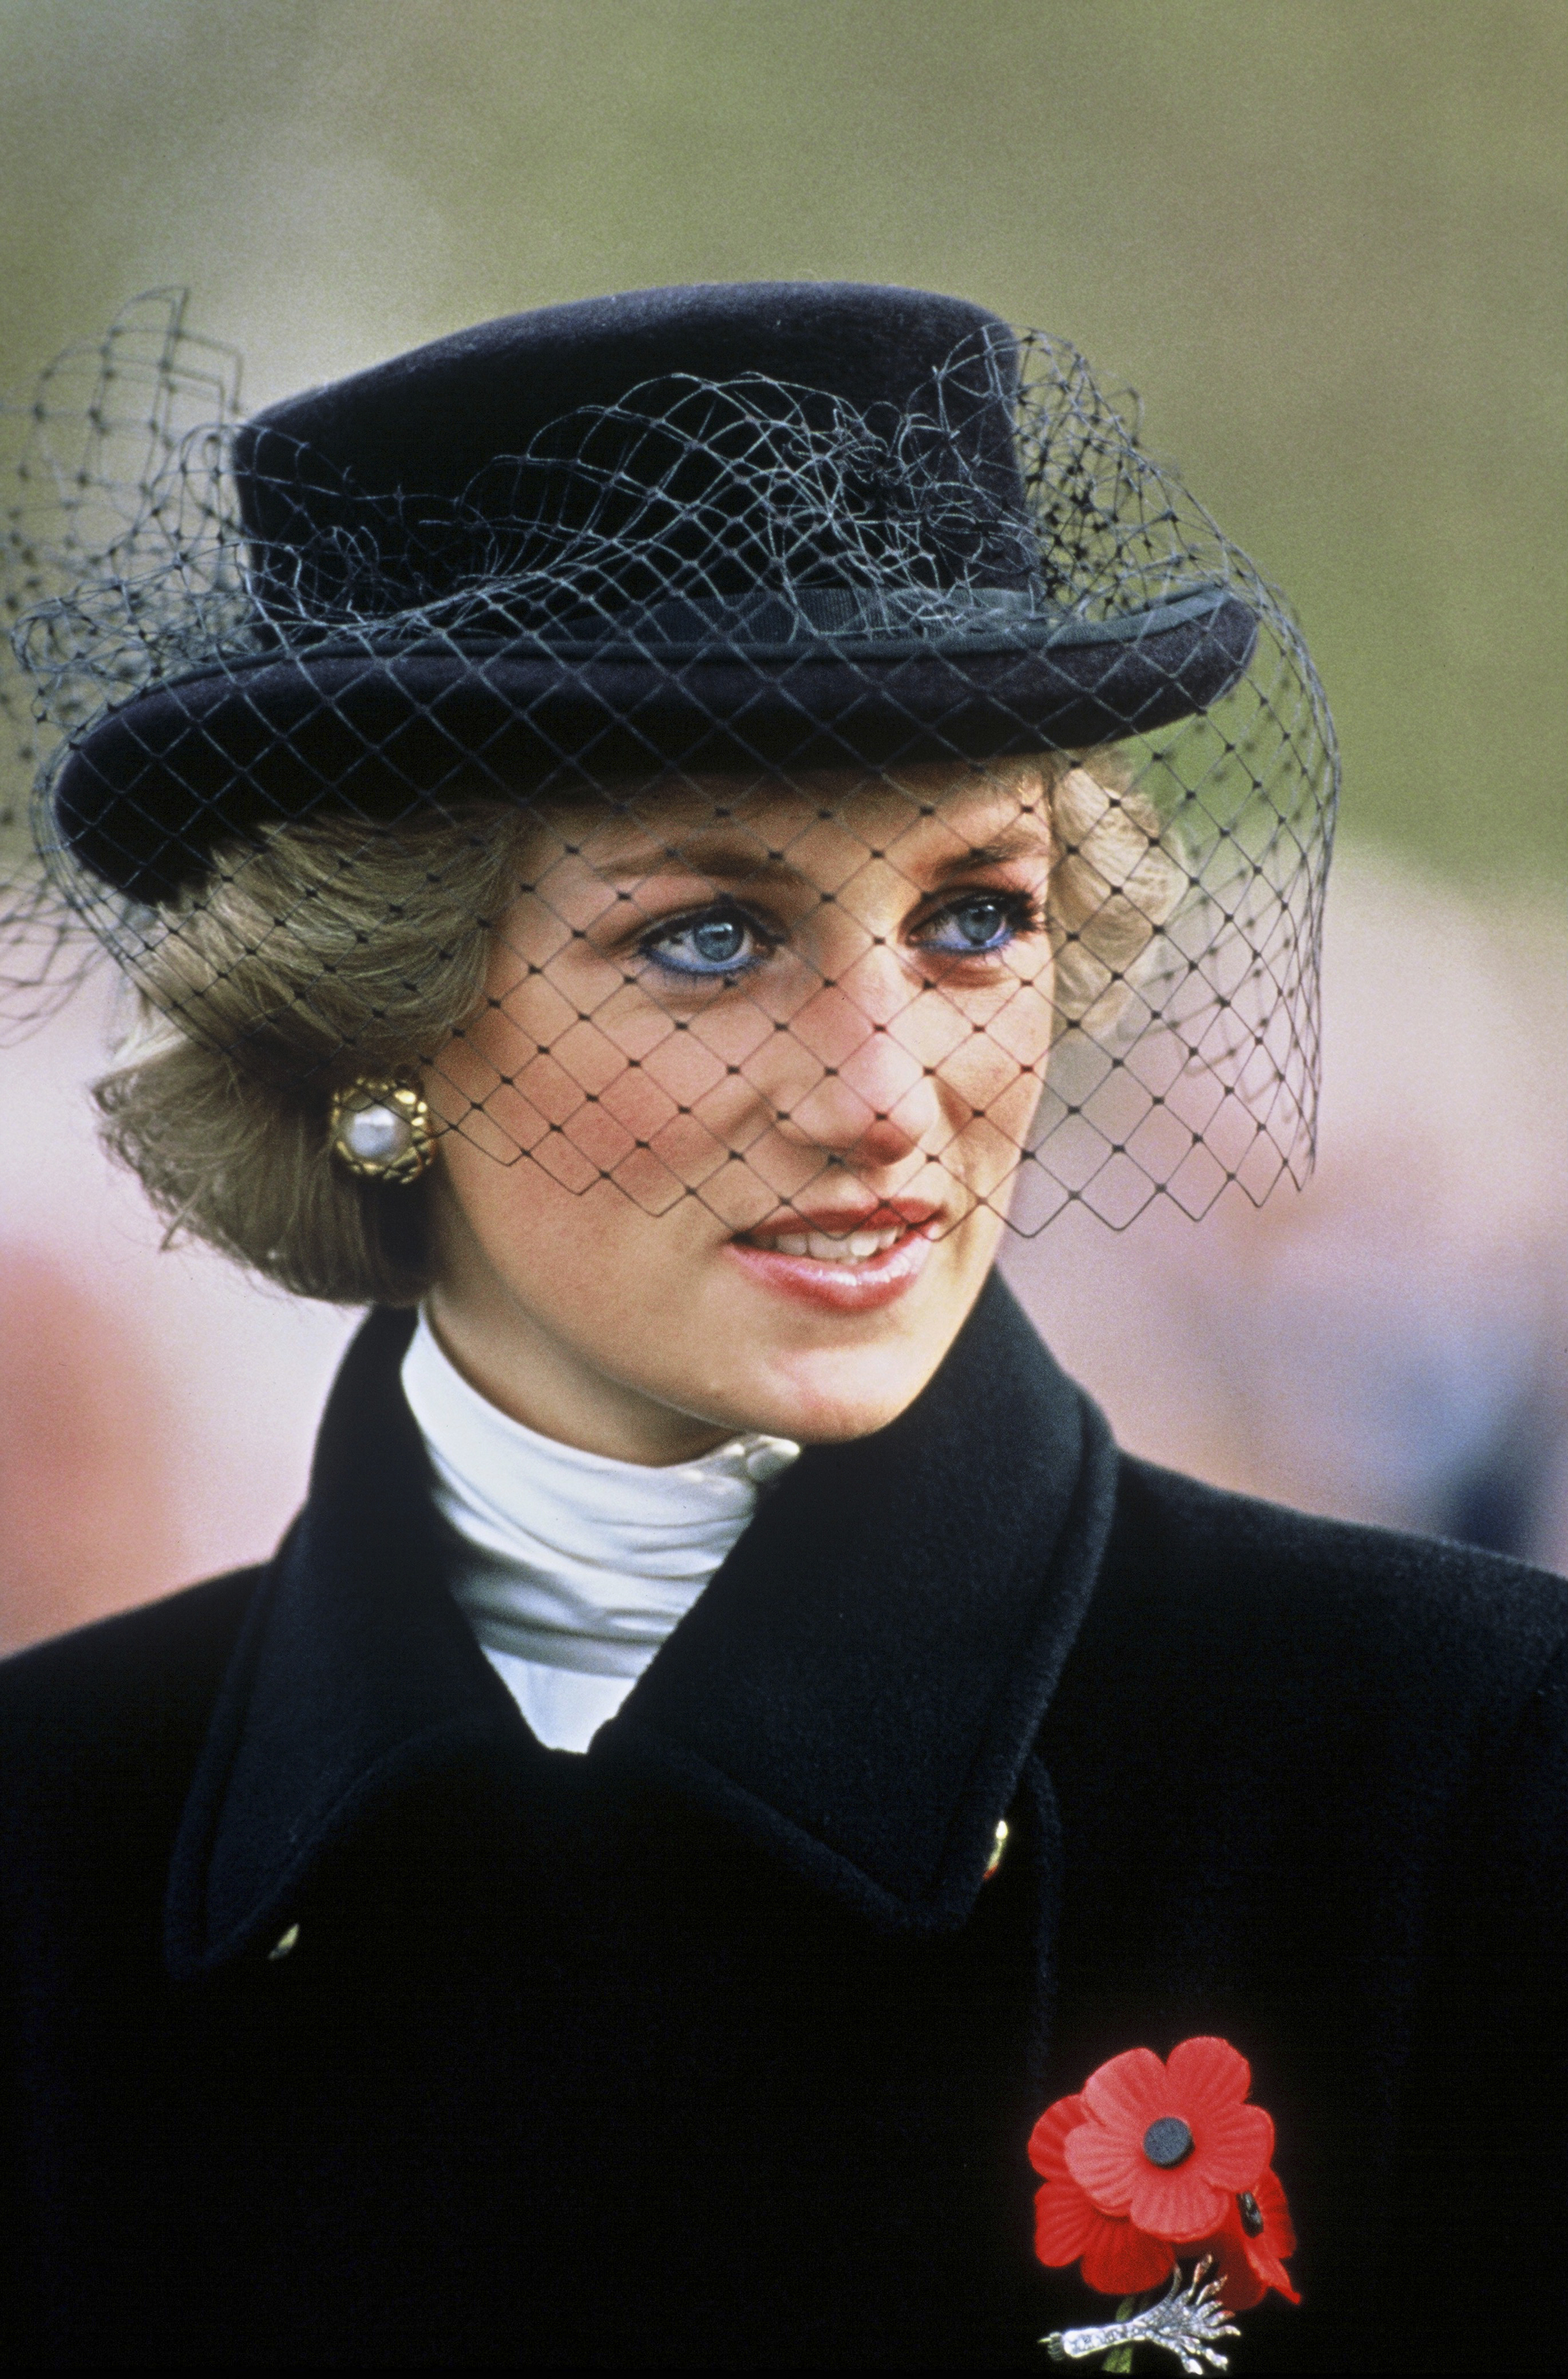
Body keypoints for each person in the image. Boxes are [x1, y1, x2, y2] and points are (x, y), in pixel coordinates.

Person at [0, 283, 1561, 2373]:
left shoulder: (1456, 1773)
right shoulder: (44, 1849)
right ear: (377, 1028)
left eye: (971, 917)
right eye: (711, 937)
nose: (886, 1089)